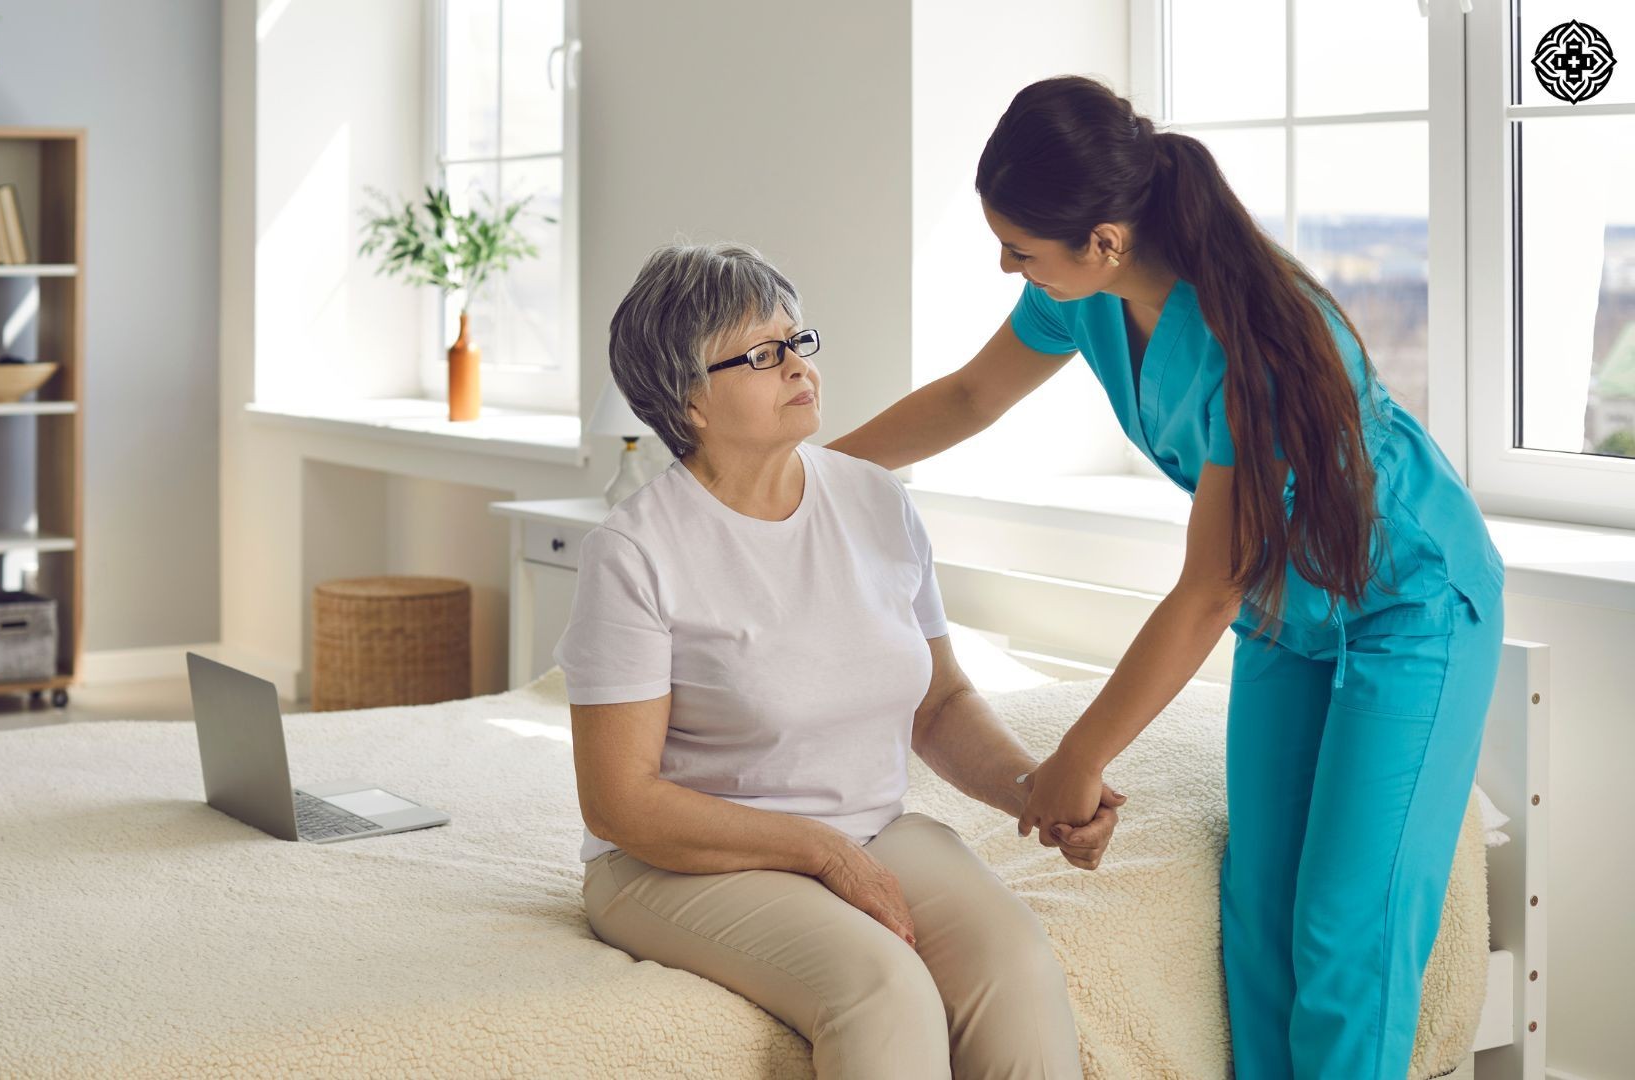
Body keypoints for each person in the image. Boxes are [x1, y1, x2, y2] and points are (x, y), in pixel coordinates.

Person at [826, 75, 1506, 1079]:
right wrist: (807, 478)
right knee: (1261, 915)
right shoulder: (1085, 298)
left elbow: (1206, 590)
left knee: (1342, 932)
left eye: (1021, 247)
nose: (1007, 262)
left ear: (1103, 239)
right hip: (1289, 617)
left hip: (1408, 609)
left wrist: (1079, 756)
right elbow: (972, 395)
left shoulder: (1260, 340)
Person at [558, 240, 1111, 1078]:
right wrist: (821, 853)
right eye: (760, 354)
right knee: (883, 988)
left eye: (798, 341)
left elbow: (938, 703)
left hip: (873, 829)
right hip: (676, 864)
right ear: (687, 401)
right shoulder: (635, 552)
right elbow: (620, 803)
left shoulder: (875, 500)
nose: (797, 367)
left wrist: (1034, 791)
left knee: (1017, 962)